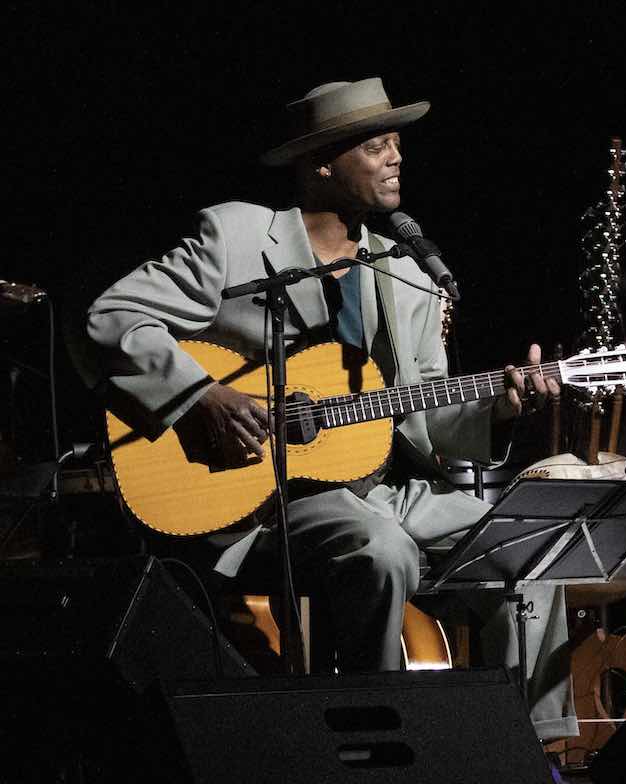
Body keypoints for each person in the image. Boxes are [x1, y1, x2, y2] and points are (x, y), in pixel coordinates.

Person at [86, 77, 577, 739]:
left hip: (381, 490)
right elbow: (115, 317)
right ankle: (373, 740)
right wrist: (202, 395)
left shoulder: (408, 276)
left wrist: (501, 408)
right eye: (377, 146)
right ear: (321, 162)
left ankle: (537, 758)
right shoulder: (236, 236)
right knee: (381, 551)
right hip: (260, 497)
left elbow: (429, 424)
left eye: (397, 144)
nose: (396, 158)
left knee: (532, 549)